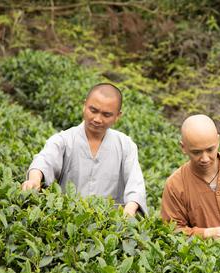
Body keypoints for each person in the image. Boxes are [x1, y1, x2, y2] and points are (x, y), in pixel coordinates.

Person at [21, 83, 147, 216]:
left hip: (108, 226)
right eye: (93, 111)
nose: (97, 119)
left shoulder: (126, 145)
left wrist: (130, 208)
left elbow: (136, 183)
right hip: (66, 219)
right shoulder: (64, 139)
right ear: (84, 105)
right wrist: (34, 179)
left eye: (106, 115)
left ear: (117, 116)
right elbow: (44, 160)